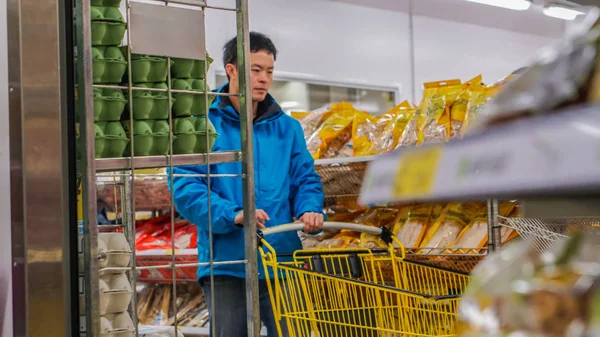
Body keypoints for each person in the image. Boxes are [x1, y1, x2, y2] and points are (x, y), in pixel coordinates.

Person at [169, 32, 325, 337]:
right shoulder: (200, 125)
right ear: (231, 70)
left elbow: (305, 178)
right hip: (227, 264)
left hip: (281, 261)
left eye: (269, 71)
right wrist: (234, 214)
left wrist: (309, 208)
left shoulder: (288, 128)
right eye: (255, 70)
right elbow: (186, 189)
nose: (264, 79)